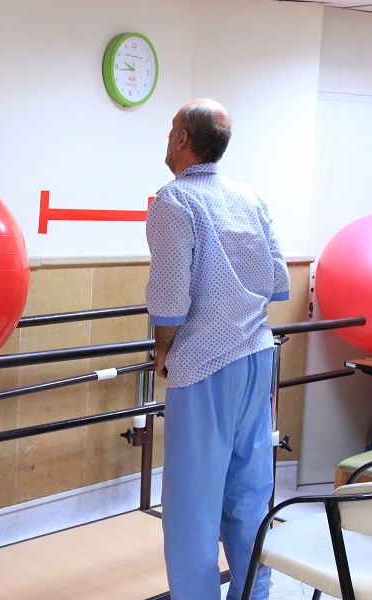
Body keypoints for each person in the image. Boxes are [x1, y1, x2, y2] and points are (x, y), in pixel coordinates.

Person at [146, 98, 289, 600]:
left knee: (192, 506)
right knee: (249, 494)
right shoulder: (250, 197)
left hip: (204, 367)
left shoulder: (174, 200)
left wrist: (162, 350)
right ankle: (254, 593)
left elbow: (170, 294)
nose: (168, 138)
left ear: (183, 138)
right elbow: (279, 280)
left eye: (171, 129)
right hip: (257, 356)